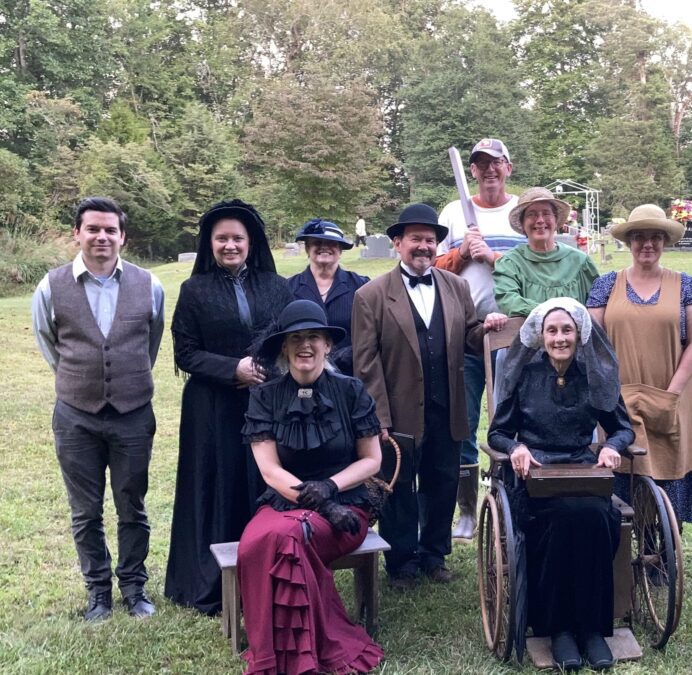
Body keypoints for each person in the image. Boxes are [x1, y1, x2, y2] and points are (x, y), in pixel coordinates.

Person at [351, 203, 505, 588]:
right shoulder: (370, 296)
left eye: (430, 240)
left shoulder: (456, 286)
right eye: (416, 239)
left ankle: (435, 555)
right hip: (398, 411)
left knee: (441, 483)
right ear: (398, 243)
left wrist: (486, 329)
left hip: (447, 406)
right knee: (400, 488)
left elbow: (470, 336)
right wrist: (379, 419)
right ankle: (401, 561)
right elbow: (365, 364)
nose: (424, 246)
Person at [32, 196, 165, 621]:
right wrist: (78, 378)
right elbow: (49, 343)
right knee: (85, 511)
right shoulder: (51, 286)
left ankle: (134, 587)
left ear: (122, 236)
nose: (102, 236)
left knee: (133, 505)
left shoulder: (151, 285)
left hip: (133, 413)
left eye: (110, 230)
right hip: (75, 417)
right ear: (78, 233)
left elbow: (151, 343)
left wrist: (127, 379)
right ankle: (98, 592)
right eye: (93, 228)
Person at [237, 300, 384, 673]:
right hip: (285, 501)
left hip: (346, 509)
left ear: (328, 345)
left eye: (314, 337)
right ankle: (280, 652)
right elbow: (269, 469)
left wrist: (331, 490)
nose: (306, 346)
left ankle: (302, 654)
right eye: (296, 339)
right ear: (284, 348)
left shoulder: (351, 391)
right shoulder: (265, 396)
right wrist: (314, 500)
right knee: (257, 542)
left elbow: (372, 460)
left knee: (290, 538)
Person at [488, 298, 633, 671]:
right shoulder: (524, 372)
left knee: (598, 517)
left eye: (567, 329)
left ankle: (592, 629)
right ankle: (559, 630)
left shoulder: (594, 372)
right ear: (540, 334)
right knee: (563, 519)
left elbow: (622, 429)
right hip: (534, 477)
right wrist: (516, 447)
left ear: (580, 333)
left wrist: (613, 448)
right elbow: (498, 432)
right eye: (552, 330)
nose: (559, 338)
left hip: (584, 473)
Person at [165, 199, 293, 615]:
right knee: (215, 484)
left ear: (251, 243)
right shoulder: (193, 290)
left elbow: (291, 339)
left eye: (238, 238)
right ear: (210, 243)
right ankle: (211, 583)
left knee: (264, 480)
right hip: (213, 408)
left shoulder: (277, 286)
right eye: (222, 238)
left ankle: (269, 573)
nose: (230, 245)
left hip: (269, 403)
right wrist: (232, 368)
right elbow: (185, 353)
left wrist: (271, 370)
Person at [587, 204, 692, 527]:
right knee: (624, 474)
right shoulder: (606, 285)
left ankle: (665, 558)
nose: (647, 244)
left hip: (671, 397)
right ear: (629, 242)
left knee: (669, 476)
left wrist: (672, 393)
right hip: (619, 401)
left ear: (665, 241)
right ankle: (628, 558)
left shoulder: (686, 285)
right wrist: (608, 396)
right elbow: (594, 344)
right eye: (639, 237)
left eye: (655, 237)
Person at [436, 137, 523, 541]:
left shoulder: (522, 211)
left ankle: (515, 498)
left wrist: (492, 256)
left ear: (509, 167)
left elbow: (536, 264)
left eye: (496, 163)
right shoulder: (455, 212)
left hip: (516, 334)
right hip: (464, 332)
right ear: (471, 170)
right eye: (480, 164)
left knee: (515, 420)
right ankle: (468, 511)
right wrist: (463, 256)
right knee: (464, 423)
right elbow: (434, 267)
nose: (489, 170)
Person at [493, 187, 600, 317]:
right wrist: (554, 313)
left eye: (546, 213)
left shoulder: (580, 261)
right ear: (522, 223)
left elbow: (597, 304)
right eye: (531, 214)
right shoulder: (510, 263)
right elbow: (508, 301)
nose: (540, 220)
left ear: (556, 220)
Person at [286, 218, 369, 377]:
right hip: (301, 377)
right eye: (317, 242)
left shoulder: (361, 286)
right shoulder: (288, 288)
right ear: (308, 249)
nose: (324, 247)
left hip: (349, 376)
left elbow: (371, 334)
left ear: (340, 249)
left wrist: (348, 354)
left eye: (331, 243)